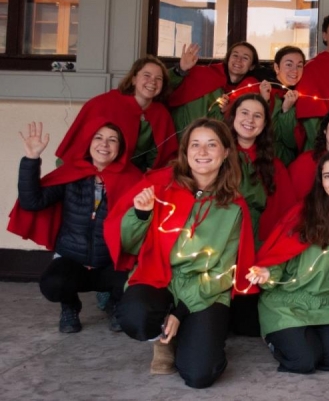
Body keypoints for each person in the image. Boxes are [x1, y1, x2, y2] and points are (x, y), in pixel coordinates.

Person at [106, 118, 256, 389]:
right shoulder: (160, 188)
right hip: (159, 279)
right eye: (195, 145)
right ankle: (161, 338)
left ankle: (186, 331)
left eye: (211, 145)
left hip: (205, 291)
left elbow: (225, 272)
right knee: (134, 316)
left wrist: (181, 311)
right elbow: (128, 244)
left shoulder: (235, 207)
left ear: (225, 153)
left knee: (199, 375)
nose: (202, 152)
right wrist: (140, 215)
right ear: (185, 152)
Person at [246, 150, 329, 374]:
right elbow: (278, 254)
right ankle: (277, 337)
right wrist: (268, 274)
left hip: (326, 303)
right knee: (304, 361)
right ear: (321, 181)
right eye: (327, 176)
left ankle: (308, 339)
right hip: (286, 301)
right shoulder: (302, 213)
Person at [9, 119, 142, 333]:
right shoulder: (72, 173)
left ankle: (115, 302)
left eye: (112, 140)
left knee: (137, 282)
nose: (104, 144)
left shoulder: (133, 179)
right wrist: (31, 159)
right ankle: (70, 305)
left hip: (111, 262)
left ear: (121, 148)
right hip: (72, 259)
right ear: (89, 143)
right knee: (53, 284)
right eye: (98, 137)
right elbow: (31, 202)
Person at [225, 94, 298, 336]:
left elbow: (287, 217)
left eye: (258, 116)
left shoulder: (274, 166)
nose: (250, 120)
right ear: (233, 116)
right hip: (220, 247)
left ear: (264, 124)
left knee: (248, 327)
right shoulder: (216, 157)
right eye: (244, 113)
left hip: (254, 251)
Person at [56, 55, 177, 172]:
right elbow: (77, 148)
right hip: (99, 172)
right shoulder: (102, 104)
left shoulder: (161, 114)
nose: (153, 81)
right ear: (133, 79)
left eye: (158, 78)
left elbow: (161, 157)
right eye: (147, 75)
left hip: (136, 176)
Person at [169, 42, 266, 135]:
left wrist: (230, 111)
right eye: (235, 55)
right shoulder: (204, 74)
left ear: (252, 66)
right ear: (228, 59)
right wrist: (180, 69)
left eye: (245, 58)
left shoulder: (252, 89)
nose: (238, 60)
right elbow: (166, 86)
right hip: (185, 135)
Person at [268, 46, 309, 166]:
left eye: (299, 66)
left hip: (291, 162)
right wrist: (286, 112)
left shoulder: (302, 94)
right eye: (289, 64)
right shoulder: (266, 92)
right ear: (277, 67)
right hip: (269, 161)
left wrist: (286, 109)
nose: (295, 70)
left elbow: (294, 142)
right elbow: (270, 135)